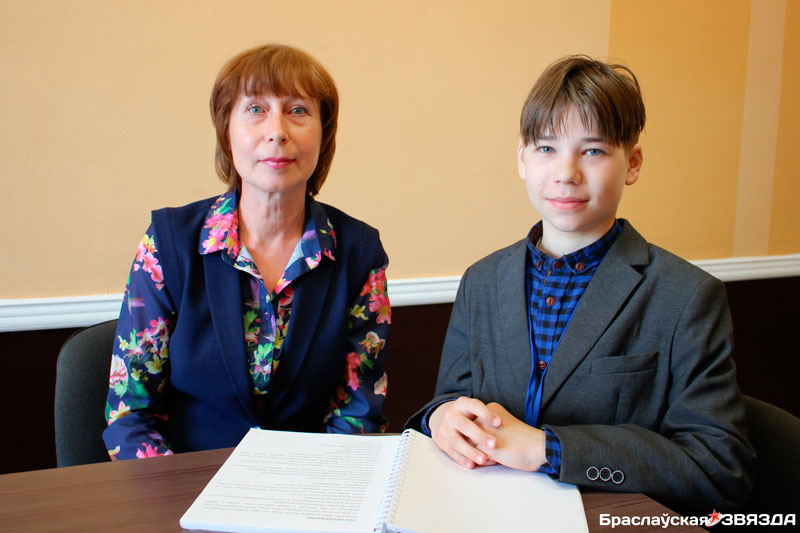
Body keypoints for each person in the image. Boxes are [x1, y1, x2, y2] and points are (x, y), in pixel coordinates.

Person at [406, 55, 754, 512]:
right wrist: (441, 416)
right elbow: (453, 396)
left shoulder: (686, 296)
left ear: (632, 163)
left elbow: (720, 467)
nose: (565, 172)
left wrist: (549, 448)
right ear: (522, 159)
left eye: (593, 151)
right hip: (484, 511)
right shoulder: (482, 281)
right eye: (546, 148)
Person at [103, 44, 391, 460]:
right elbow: (130, 414)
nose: (277, 131)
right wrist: (177, 497)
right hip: (186, 486)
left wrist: (316, 492)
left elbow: (357, 413)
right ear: (227, 131)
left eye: (297, 110)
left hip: (308, 485)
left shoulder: (360, 253)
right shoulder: (168, 244)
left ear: (323, 133)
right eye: (256, 109)